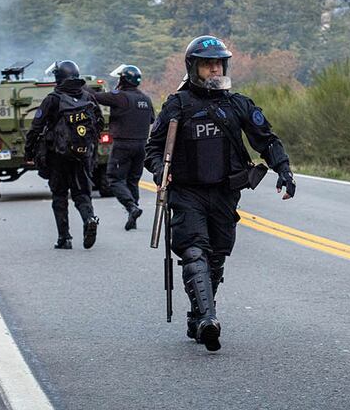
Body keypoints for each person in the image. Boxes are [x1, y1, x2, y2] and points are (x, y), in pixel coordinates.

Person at [145, 36, 296, 351]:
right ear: (194, 67)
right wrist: (161, 170)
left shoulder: (237, 103)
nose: (214, 69)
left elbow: (266, 139)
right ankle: (207, 320)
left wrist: (284, 170)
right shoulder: (177, 104)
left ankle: (198, 314)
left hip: (225, 193)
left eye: (218, 63)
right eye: (206, 64)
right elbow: (153, 148)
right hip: (187, 192)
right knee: (194, 251)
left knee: (216, 254)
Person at [25, 60, 104, 250]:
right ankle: (89, 219)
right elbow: (99, 123)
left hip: (58, 156)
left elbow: (35, 127)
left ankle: (64, 238)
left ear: (58, 78)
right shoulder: (88, 97)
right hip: (83, 154)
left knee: (59, 195)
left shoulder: (53, 99)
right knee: (82, 194)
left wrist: (28, 151)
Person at [89, 64, 155, 231]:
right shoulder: (145, 99)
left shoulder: (121, 96)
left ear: (123, 79)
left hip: (123, 145)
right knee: (133, 180)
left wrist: (81, 86)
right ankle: (133, 215)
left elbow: (97, 97)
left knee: (114, 178)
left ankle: (131, 207)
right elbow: (152, 119)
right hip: (141, 145)